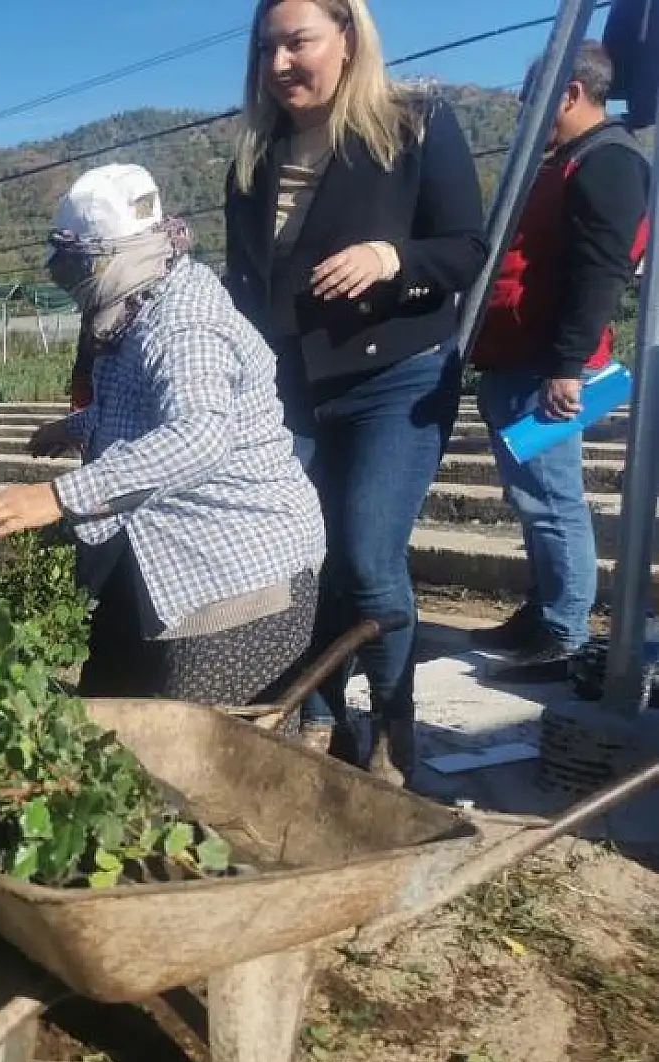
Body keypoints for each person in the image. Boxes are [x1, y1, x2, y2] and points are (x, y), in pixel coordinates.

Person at [224, 0, 489, 783]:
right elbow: (246, 286)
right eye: (266, 47)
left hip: (394, 376)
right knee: (304, 556)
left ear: (347, 38)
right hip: (292, 387)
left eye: (297, 42)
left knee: (370, 555)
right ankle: (320, 714)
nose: (279, 64)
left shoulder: (413, 126)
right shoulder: (253, 157)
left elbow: (466, 249)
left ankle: (394, 729)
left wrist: (390, 258)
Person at [0, 165, 325, 705]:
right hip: (167, 558)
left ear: (110, 257)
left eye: (78, 266)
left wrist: (57, 497)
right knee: (109, 710)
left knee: (199, 745)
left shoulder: (183, 321)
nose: (73, 283)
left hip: (235, 579)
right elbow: (138, 410)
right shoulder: (138, 306)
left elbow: (198, 435)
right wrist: (74, 427)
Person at [470, 42, 650, 673]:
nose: (526, 114)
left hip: (549, 367)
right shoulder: (569, 160)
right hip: (522, 359)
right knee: (534, 499)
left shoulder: (608, 162)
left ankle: (565, 630)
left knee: (552, 500)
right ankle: (544, 607)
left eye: (533, 101)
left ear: (569, 94)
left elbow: (600, 271)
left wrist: (567, 367)